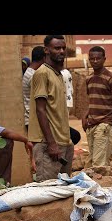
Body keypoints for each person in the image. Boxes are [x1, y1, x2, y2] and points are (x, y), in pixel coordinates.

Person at [28, 35, 74, 182]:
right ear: (46, 50)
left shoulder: (58, 74)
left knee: (64, 188)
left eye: (63, 48)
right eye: (57, 48)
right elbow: (40, 110)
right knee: (47, 190)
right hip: (48, 144)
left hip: (63, 142)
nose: (61, 51)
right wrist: (51, 143)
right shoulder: (42, 74)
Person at [82, 46, 112, 167]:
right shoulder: (88, 78)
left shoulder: (111, 79)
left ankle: (102, 184)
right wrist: (84, 116)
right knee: (95, 162)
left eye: (98, 58)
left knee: (98, 165)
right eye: (92, 59)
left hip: (105, 124)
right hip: (91, 125)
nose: (95, 61)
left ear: (104, 59)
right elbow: (91, 100)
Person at [23, 46, 46, 132]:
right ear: (44, 58)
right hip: (34, 120)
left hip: (33, 118)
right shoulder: (34, 76)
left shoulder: (30, 72)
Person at [61, 67, 81, 145]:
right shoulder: (67, 72)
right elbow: (71, 89)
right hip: (68, 100)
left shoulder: (59, 74)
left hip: (62, 102)